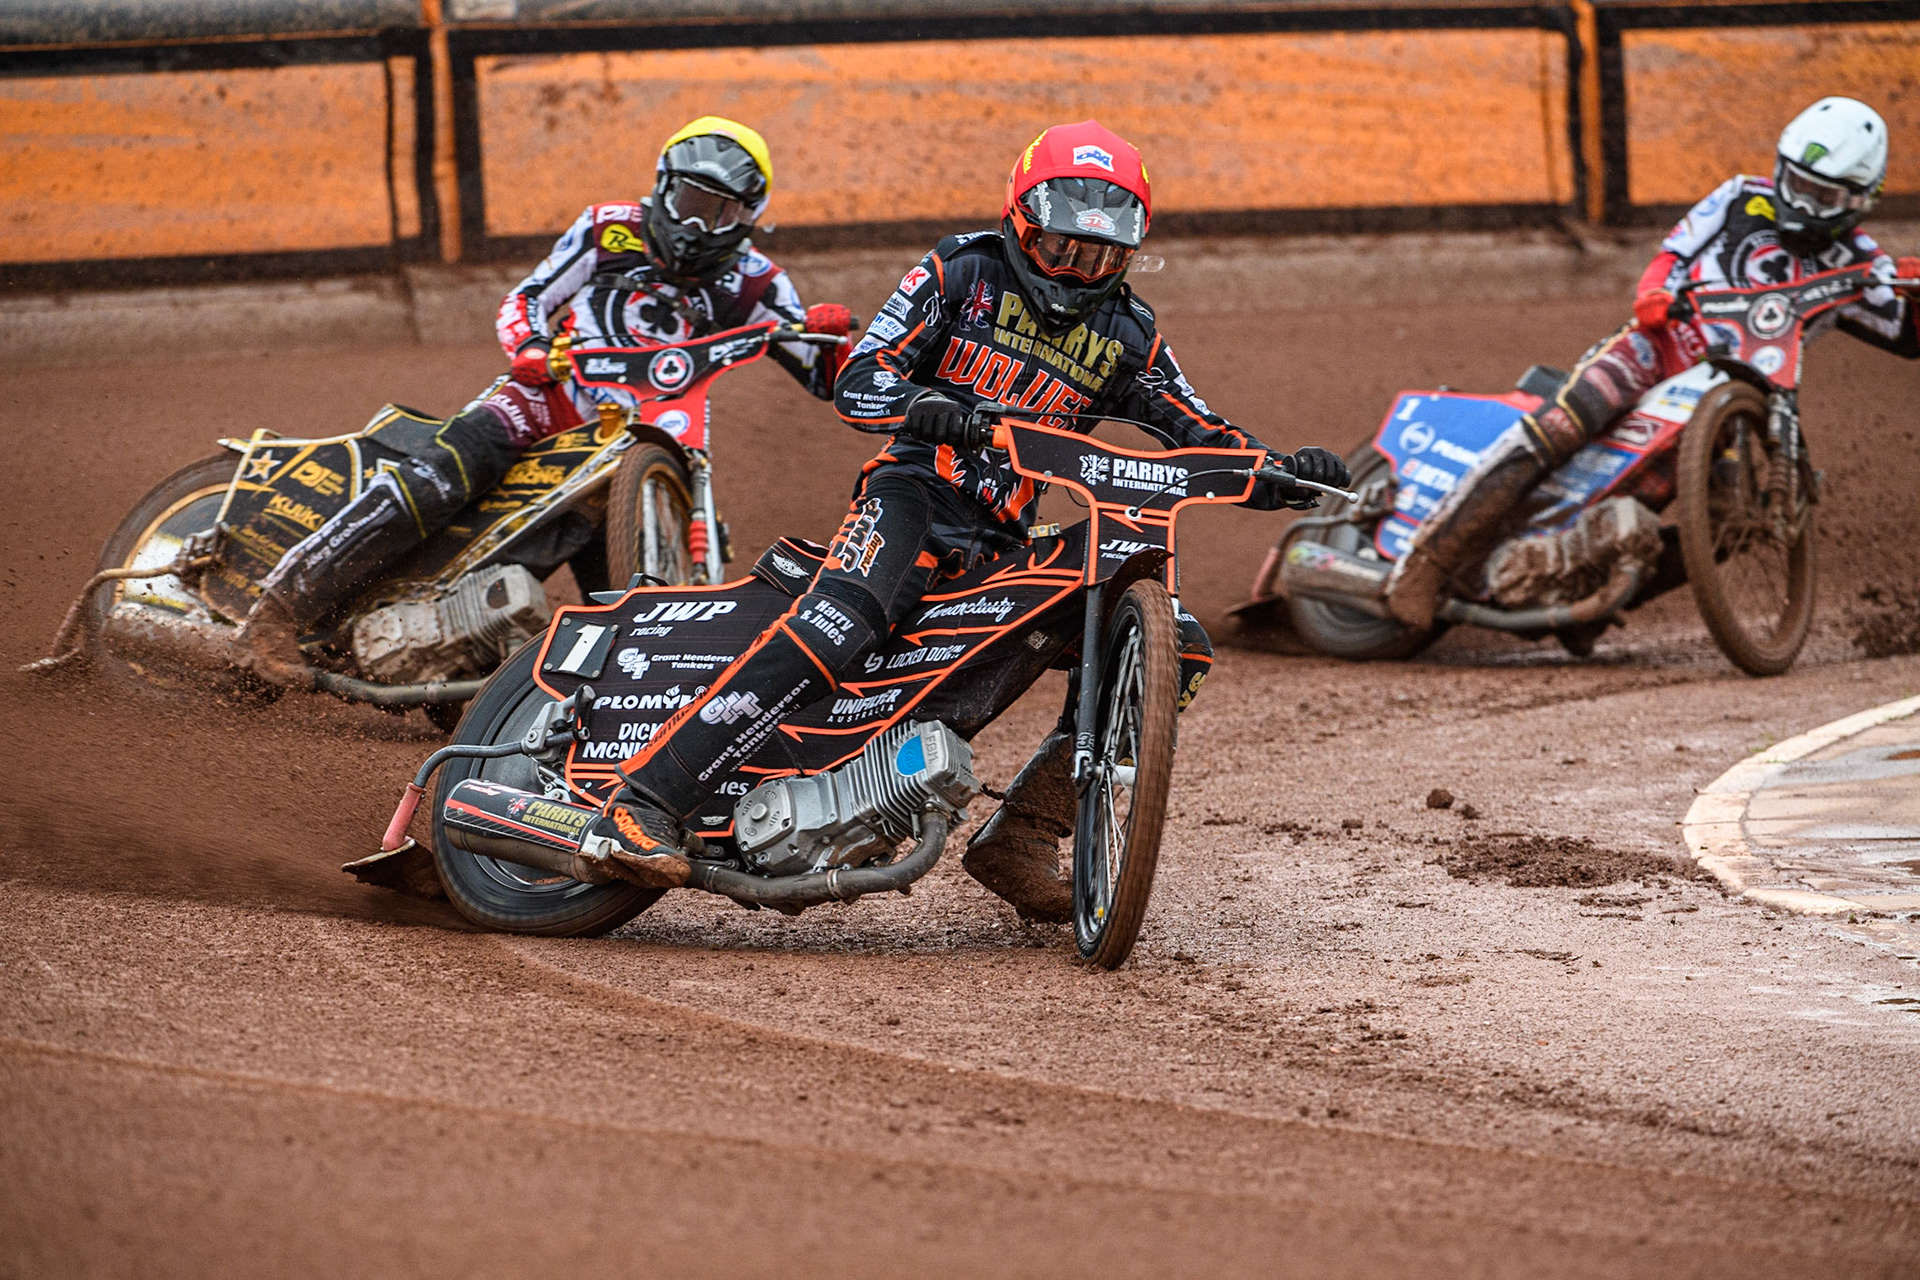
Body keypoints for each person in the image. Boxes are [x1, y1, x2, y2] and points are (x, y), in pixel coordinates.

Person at [586, 120, 1350, 921]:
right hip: (911, 494)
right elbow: (860, 377)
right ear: (1023, 221)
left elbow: (1201, 430)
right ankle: (646, 800)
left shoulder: (1127, 332)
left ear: (1128, 254)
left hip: (1001, 539)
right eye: (1061, 249)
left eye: (1100, 256)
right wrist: (927, 407)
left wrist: (1284, 473)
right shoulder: (962, 270)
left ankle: (1023, 832)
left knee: (1179, 646)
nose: (1077, 270)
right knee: (844, 622)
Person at [239, 116, 854, 684]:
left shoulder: (757, 282)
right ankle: (277, 613)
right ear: (663, 189)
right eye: (688, 203)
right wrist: (529, 347)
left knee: (612, 576)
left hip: (640, 440)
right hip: (547, 398)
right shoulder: (608, 228)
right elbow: (526, 298)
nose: (696, 225)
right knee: (448, 470)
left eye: (717, 213)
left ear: (748, 216)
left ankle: (529, 680)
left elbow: (827, 379)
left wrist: (827, 341)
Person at [1384, 96, 1920, 631]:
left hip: (1733, 398)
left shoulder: (1863, 262)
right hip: (1657, 346)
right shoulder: (1739, 197)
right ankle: (1427, 564)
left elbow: (1905, 333)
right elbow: (1672, 254)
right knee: (1563, 423)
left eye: (1819, 193)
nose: (1798, 198)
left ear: (1858, 199)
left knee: (1728, 519)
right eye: (1794, 180)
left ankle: (1588, 597)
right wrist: (1654, 296)